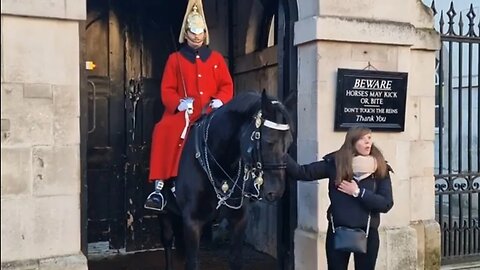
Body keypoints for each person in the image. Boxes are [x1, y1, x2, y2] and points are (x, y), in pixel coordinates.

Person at [144, 0, 234, 212]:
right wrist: (179, 104)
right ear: (186, 34)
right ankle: (160, 187)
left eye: (199, 32)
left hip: (210, 112)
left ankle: (233, 183)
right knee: (163, 130)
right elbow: (167, 89)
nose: (196, 36)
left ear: (204, 34)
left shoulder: (216, 59)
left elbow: (226, 85)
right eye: (192, 32)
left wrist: (220, 100)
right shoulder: (175, 59)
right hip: (185, 113)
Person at [286, 126, 394, 270]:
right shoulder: (335, 163)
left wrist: (358, 192)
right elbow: (302, 172)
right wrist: (278, 152)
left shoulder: (381, 168)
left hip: (368, 234)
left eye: (369, 138)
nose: (368, 143)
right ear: (352, 142)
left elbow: (386, 203)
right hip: (338, 232)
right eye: (362, 139)